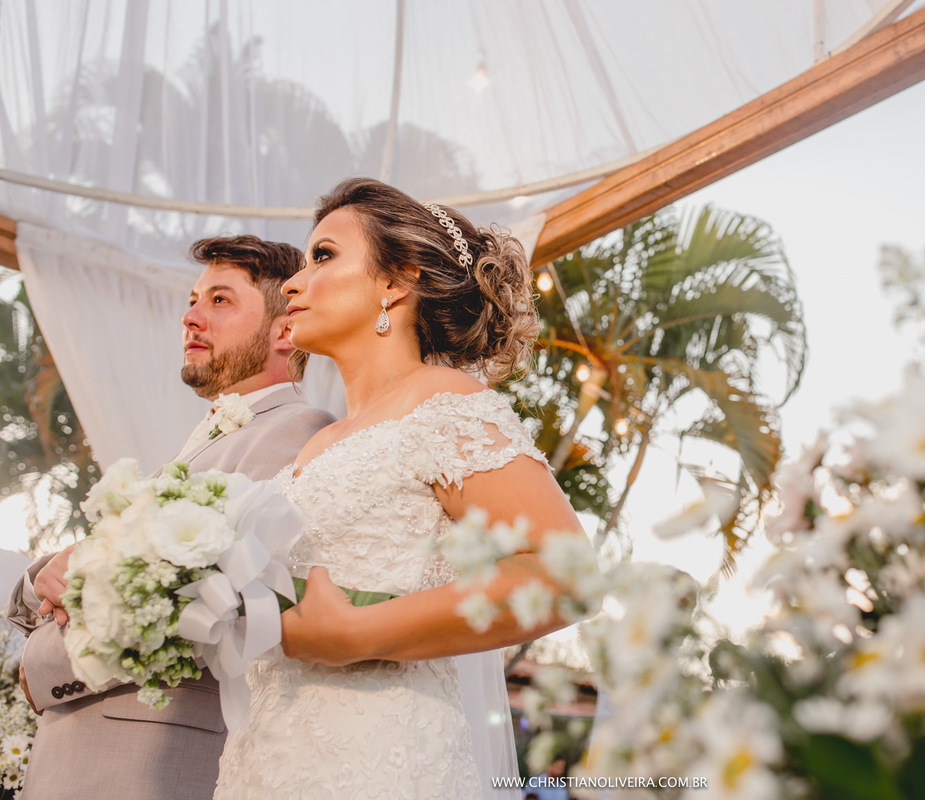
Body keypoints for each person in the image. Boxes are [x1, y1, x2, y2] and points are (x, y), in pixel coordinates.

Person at [213, 178, 590, 799]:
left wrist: (361, 632)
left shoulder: (447, 404)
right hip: (269, 759)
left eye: (324, 256)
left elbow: (567, 576)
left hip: (380, 758)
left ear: (396, 281)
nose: (292, 283)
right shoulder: (319, 445)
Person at [5, 235, 335, 800]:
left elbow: (196, 601)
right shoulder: (194, 448)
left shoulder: (295, 432)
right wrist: (41, 579)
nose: (190, 316)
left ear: (285, 330)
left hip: (144, 768)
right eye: (193, 298)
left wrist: (36, 670)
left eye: (220, 301)